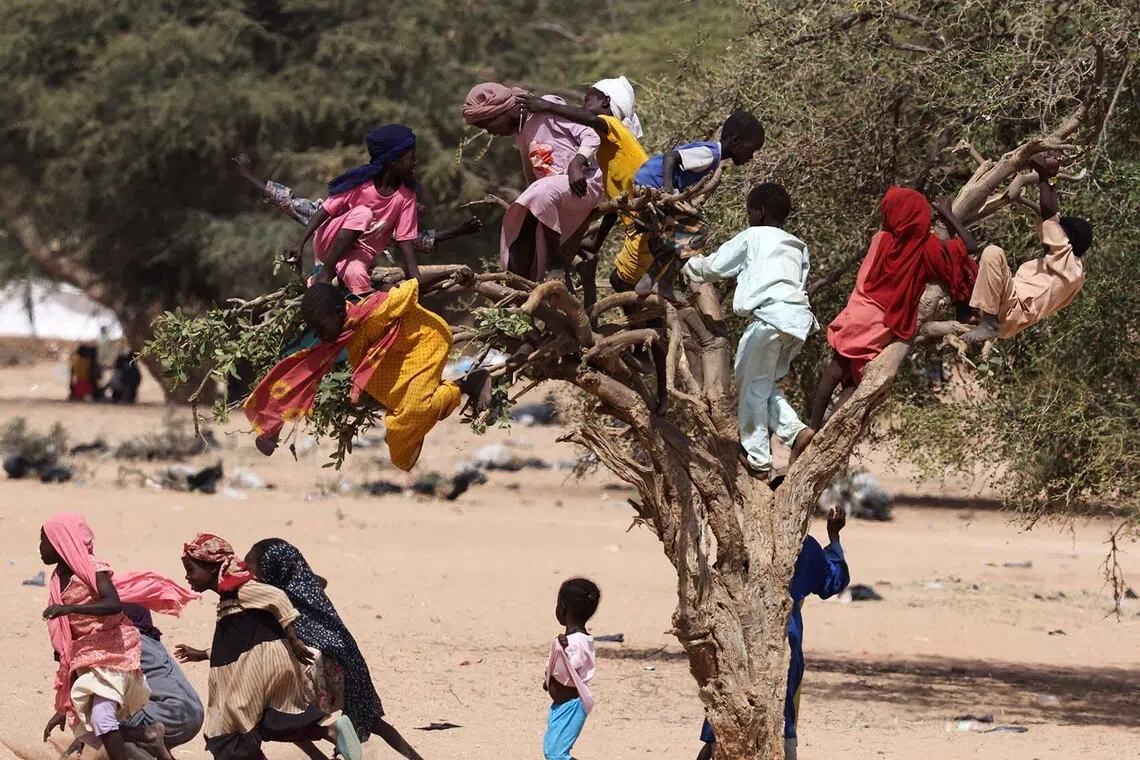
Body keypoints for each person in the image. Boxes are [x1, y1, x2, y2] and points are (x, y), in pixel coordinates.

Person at [243, 277, 492, 471]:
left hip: (426, 340)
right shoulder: (341, 333)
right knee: (397, 413)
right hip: (395, 355)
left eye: (321, 326)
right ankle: (412, 420)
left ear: (340, 314)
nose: (319, 334)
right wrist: (271, 430)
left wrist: (454, 275)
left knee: (414, 409)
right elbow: (300, 378)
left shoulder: (372, 312)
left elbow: (409, 288)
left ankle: (466, 384)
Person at [175, 534, 361, 760]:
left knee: (228, 733)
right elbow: (239, 643)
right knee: (269, 723)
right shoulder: (230, 596)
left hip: (257, 670)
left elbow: (278, 596)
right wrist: (203, 654)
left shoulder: (241, 588)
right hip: (258, 664)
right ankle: (331, 731)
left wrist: (293, 638)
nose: (187, 576)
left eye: (191, 569)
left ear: (211, 567)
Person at [810, 188, 979, 430]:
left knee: (835, 371)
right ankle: (826, 434)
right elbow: (970, 247)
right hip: (883, 325)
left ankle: (813, 427)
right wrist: (949, 215)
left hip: (857, 313)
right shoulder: (925, 248)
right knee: (853, 384)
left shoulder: (880, 239)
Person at [244, 539, 424, 760]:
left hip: (322, 666)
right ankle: (414, 757)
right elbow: (321, 580)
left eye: (251, 566)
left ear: (271, 569)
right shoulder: (305, 585)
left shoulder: (276, 598)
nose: (249, 573)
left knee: (284, 719)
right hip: (347, 655)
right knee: (372, 721)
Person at [683, 183, 816, 479]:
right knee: (764, 385)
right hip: (795, 320)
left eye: (749, 211)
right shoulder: (797, 245)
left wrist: (687, 261)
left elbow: (713, 267)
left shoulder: (752, 237)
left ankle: (757, 460)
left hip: (767, 320)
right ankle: (796, 431)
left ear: (759, 212)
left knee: (750, 387)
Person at [696, 505, 850, 760]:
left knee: (730, 698)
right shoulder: (805, 547)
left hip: (739, 634)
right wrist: (834, 537)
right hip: (784, 638)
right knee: (782, 706)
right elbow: (832, 582)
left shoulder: (743, 543)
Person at [39, 513, 198, 760]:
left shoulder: (92, 572)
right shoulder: (59, 580)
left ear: (61, 541)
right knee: (86, 729)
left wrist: (69, 609)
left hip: (127, 670)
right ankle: (149, 737)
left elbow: (112, 603)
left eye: (43, 541)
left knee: (101, 720)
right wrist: (67, 705)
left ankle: (147, 738)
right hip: (96, 661)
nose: (39, 548)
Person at [514, 76, 648, 307]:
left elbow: (588, 118)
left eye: (587, 100)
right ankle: (646, 335)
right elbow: (617, 203)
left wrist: (546, 105)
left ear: (605, 102)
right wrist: (597, 241)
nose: (583, 107)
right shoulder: (609, 152)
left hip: (646, 228)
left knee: (622, 283)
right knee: (629, 285)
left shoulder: (613, 126)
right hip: (638, 228)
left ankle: (648, 336)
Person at [463, 82, 603, 282]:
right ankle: (522, 284)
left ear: (501, 113)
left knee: (540, 193)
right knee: (516, 222)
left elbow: (591, 136)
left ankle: (557, 266)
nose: (490, 133)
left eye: (488, 125)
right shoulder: (521, 135)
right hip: (553, 199)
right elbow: (532, 178)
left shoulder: (544, 107)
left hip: (583, 185)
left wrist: (575, 165)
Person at [234, 153, 483, 263]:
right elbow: (287, 200)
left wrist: (460, 230)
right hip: (328, 262)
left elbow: (419, 240)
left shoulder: (384, 227)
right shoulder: (334, 211)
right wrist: (247, 176)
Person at [630, 111, 767, 298]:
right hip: (652, 186)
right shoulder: (710, 153)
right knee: (699, 229)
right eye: (751, 149)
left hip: (646, 183)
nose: (751, 156)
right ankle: (664, 283)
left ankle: (649, 280)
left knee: (677, 236)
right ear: (735, 142)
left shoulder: (712, 155)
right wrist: (668, 190)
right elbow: (671, 157)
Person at [962, 154, 1091, 344]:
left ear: (1067, 241)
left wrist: (1043, 176)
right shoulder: (1072, 272)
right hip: (1011, 313)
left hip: (1014, 307)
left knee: (993, 253)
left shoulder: (1070, 266)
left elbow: (1050, 218)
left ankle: (989, 323)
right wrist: (1052, 177)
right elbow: (1053, 217)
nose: (1048, 237)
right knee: (967, 267)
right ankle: (971, 315)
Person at [282, 126, 421, 297]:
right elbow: (326, 210)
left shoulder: (407, 195)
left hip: (361, 253)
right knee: (363, 213)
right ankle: (324, 275)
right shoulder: (361, 183)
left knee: (357, 275)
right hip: (330, 241)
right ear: (393, 161)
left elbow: (404, 238)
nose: (415, 162)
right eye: (411, 157)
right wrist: (300, 243)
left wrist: (415, 278)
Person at [65, 605, 205, 760]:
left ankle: (149, 740)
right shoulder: (149, 640)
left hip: (169, 715)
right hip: (191, 712)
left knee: (108, 722)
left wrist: (83, 731)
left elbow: (101, 702)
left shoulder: (121, 645)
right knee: (121, 722)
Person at [543, 578, 601, 760]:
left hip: (572, 705)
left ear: (562, 608)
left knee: (555, 754)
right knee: (553, 751)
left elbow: (573, 665)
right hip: (562, 706)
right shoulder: (575, 639)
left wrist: (564, 651)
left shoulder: (576, 642)